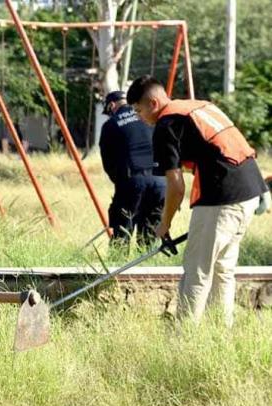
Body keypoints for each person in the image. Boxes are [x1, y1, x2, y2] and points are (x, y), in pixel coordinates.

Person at [126, 75, 270, 325]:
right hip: (249, 191)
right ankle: (219, 334)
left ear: (153, 102)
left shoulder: (166, 124)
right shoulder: (198, 106)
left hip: (221, 196)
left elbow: (176, 186)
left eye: (139, 110)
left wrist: (165, 224)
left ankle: (185, 339)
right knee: (222, 270)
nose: (140, 118)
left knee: (197, 272)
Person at [99, 90, 165, 247]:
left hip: (133, 181)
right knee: (149, 237)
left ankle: (117, 270)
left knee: (122, 234)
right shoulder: (151, 118)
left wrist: (123, 181)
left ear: (112, 105)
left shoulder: (111, 124)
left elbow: (109, 163)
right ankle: (147, 268)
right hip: (161, 183)